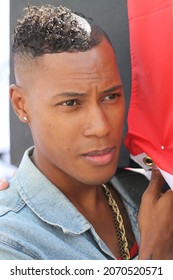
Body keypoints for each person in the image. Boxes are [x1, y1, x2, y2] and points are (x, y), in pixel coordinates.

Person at [0, 4, 173, 260]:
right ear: (21, 104)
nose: (102, 126)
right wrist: (156, 258)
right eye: (71, 103)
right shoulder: (11, 239)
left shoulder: (152, 193)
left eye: (111, 96)